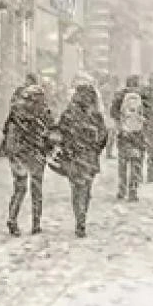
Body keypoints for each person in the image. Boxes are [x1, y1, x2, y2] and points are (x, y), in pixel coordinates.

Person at [0, 80, 55, 235]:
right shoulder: (44, 111)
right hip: (36, 153)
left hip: (18, 153)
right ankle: (36, 224)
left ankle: (12, 218)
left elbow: (6, 131)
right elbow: (51, 132)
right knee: (36, 189)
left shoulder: (16, 111)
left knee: (20, 188)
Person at [54, 83, 108, 236]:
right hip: (89, 156)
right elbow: (104, 136)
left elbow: (60, 133)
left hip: (73, 155)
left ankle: (79, 216)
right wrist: (96, 149)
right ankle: (82, 217)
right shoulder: (96, 115)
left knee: (76, 188)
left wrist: (65, 146)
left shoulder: (69, 113)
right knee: (86, 188)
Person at [110, 75, 147, 201]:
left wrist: (121, 124)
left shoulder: (120, 95)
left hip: (124, 134)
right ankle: (133, 190)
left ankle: (122, 189)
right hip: (138, 134)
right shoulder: (143, 95)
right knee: (136, 163)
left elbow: (113, 112)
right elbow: (150, 113)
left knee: (123, 163)